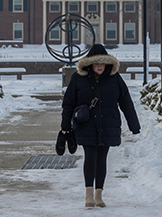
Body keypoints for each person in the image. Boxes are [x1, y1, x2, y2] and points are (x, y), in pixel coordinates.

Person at [60, 44, 141, 208]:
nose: (99, 66)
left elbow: (126, 102)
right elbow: (68, 103)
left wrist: (134, 126)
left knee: (102, 158)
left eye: (102, 63)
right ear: (90, 64)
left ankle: (99, 195)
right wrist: (65, 124)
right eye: (96, 63)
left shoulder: (115, 78)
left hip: (107, 124)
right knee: (90, 156)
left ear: (107, 64)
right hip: (86, 125)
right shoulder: (78, 78)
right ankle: (88, 195)